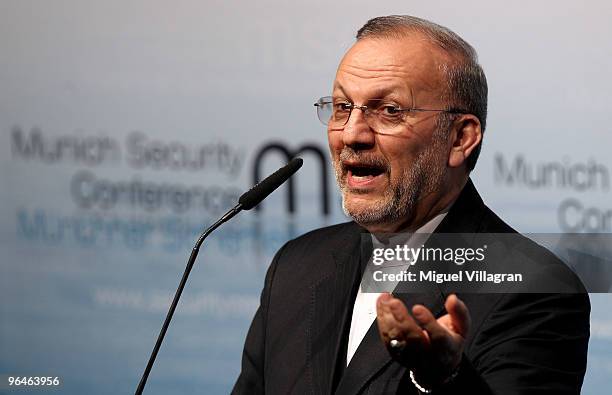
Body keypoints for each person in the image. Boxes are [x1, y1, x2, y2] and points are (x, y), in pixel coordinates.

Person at [232, 15, 590, 394]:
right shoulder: (297, 266)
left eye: (389, 111)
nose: (351, 133)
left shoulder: (535, 290)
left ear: (459, 138)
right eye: (341, 107)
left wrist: (444, 378)